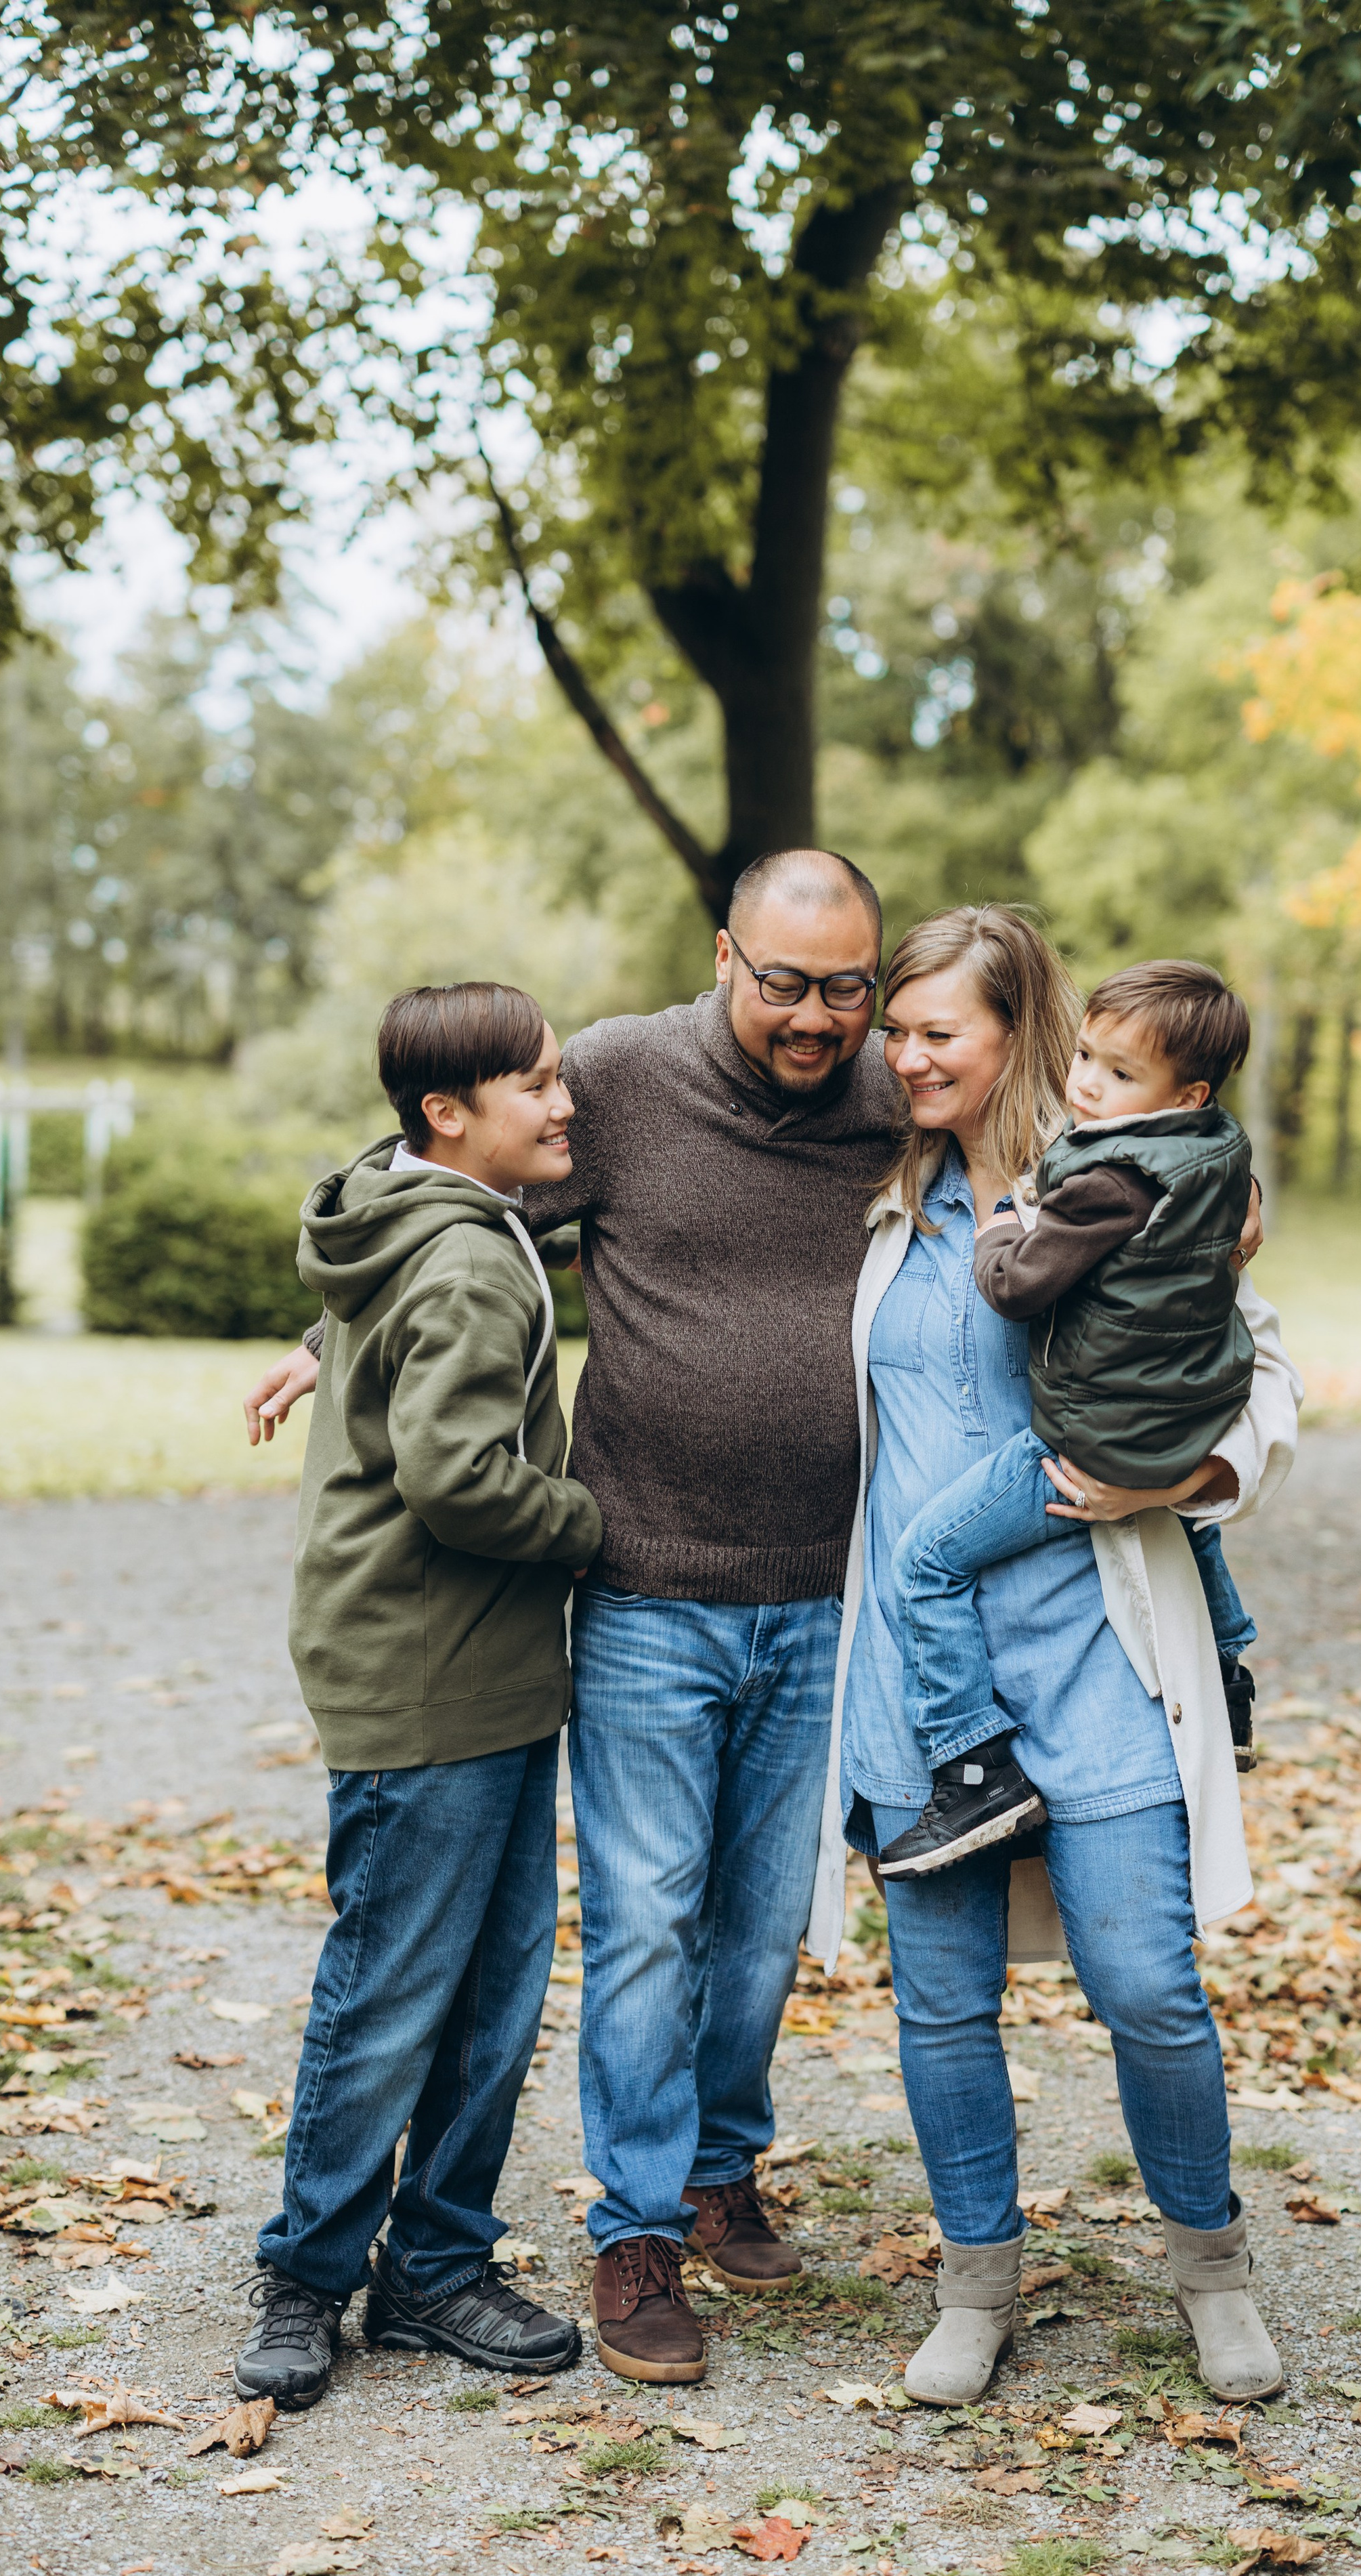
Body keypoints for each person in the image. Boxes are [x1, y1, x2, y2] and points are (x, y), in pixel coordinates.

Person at [243, 850, 908, 2385]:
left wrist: (1208, 1201)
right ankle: (631, 2232)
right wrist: (326, 1333)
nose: (817, 1018)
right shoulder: (608, 1076)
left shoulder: (894, 1088)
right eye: (785, 982)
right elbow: (458, 1202)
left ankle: (709, 2166)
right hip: (644, 1594)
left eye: (846, 986)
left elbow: (1051, 1162)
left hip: (821, 1583)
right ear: (723, 954)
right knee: (638, 1922)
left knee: (752, 1934)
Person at [804, 906, 1299, 2411]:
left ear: (1016, 1036)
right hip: (921, 1669)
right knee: (938, 2000)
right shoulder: (883, 1207)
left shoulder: (1121, 1184)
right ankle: (976, 2284)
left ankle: (1210, 2271)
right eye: (894, 1034)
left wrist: (1186, 1480)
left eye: (934, 1034)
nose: (902, 1058)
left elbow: (1261, 1371)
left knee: (1146, 1982)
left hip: (1094, 1651)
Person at [233, 981, 603, 2410]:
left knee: (495, 1997)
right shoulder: (466, 1265)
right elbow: (454, 1483)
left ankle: (436, 2267)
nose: (565, 1105)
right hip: (425, 1672)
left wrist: (322, 1346)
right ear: (449, 1115)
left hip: (487, 1675)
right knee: (391, 1995)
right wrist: (590, 1523)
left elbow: (396, 1317)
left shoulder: (432, 1216)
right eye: (536, 1086)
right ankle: (306, 2279)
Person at [878, 960, 1261, 1880]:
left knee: (925, 1563)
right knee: (1186, 1526)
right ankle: (1230, 1662)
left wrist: (1007, 1216)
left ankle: (973, 1767)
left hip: (1092, 1439)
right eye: (1086, 1058)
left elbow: (1015, 1285)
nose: (1088, 1083)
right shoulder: (1212, 1151)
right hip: (1195, 1397)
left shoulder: (1100, 1175)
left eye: (1118, 1073)